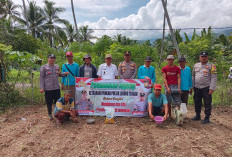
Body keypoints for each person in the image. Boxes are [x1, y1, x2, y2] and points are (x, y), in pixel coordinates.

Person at [192, 51, 217, 124]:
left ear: (207, 57)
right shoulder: (196, 65)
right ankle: (197, 115)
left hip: (206, 87)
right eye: (202, 57)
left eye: (205, 57)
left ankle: (207, 117)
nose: (203, 58)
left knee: (207, 103)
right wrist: (193, 86)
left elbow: (214, 77)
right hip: (197, 87)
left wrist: (212, 88)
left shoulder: (211, 66)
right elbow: (193, 76)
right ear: (200, 57)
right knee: (197, 102)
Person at [40, 54, 63, 120]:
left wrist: (64, 74)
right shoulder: (44, 67)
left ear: (55, 59)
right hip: (48, 88)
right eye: (51, 58)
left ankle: (57, 114)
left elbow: (59, 75)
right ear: (48, 59)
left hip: (56, 87)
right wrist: (42, 88)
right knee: (49, 102)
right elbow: (41, 78)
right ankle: (50, 114)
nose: (52, 59)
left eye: (53, 58)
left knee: (58, 102)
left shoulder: (57, 67)